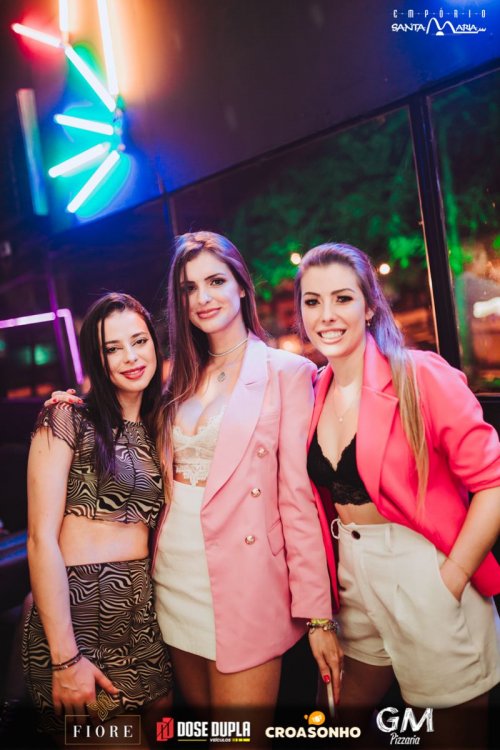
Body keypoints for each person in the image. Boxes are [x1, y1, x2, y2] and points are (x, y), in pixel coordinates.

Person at [294, 242, 500, 747]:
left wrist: (449, 581)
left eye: (343, 298)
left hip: (423, 570)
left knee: (450, 735)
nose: (326, 315)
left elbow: (493, 484)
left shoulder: (419, 374)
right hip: (351, 576)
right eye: (312, 301)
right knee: (335, 725)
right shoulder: (313, 388)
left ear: (369, 307)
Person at [150, 231, 342, 733]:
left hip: (247, 581)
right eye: (189, 288)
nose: (203, 297)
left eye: (215, 281)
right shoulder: (176, 378)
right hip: (174, 575)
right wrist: (73, 408)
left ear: (241, 285)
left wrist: (318, 615)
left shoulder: (286, 372)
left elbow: (298, 499)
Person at [22, 293, 173, 748]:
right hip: (81, 627)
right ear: (96, 357)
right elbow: (39, 540)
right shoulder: (66, 418)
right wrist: (65, 658)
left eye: (139, 341)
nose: (131, 357)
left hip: (146, 624)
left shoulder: (160, 423)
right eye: (113, 348)